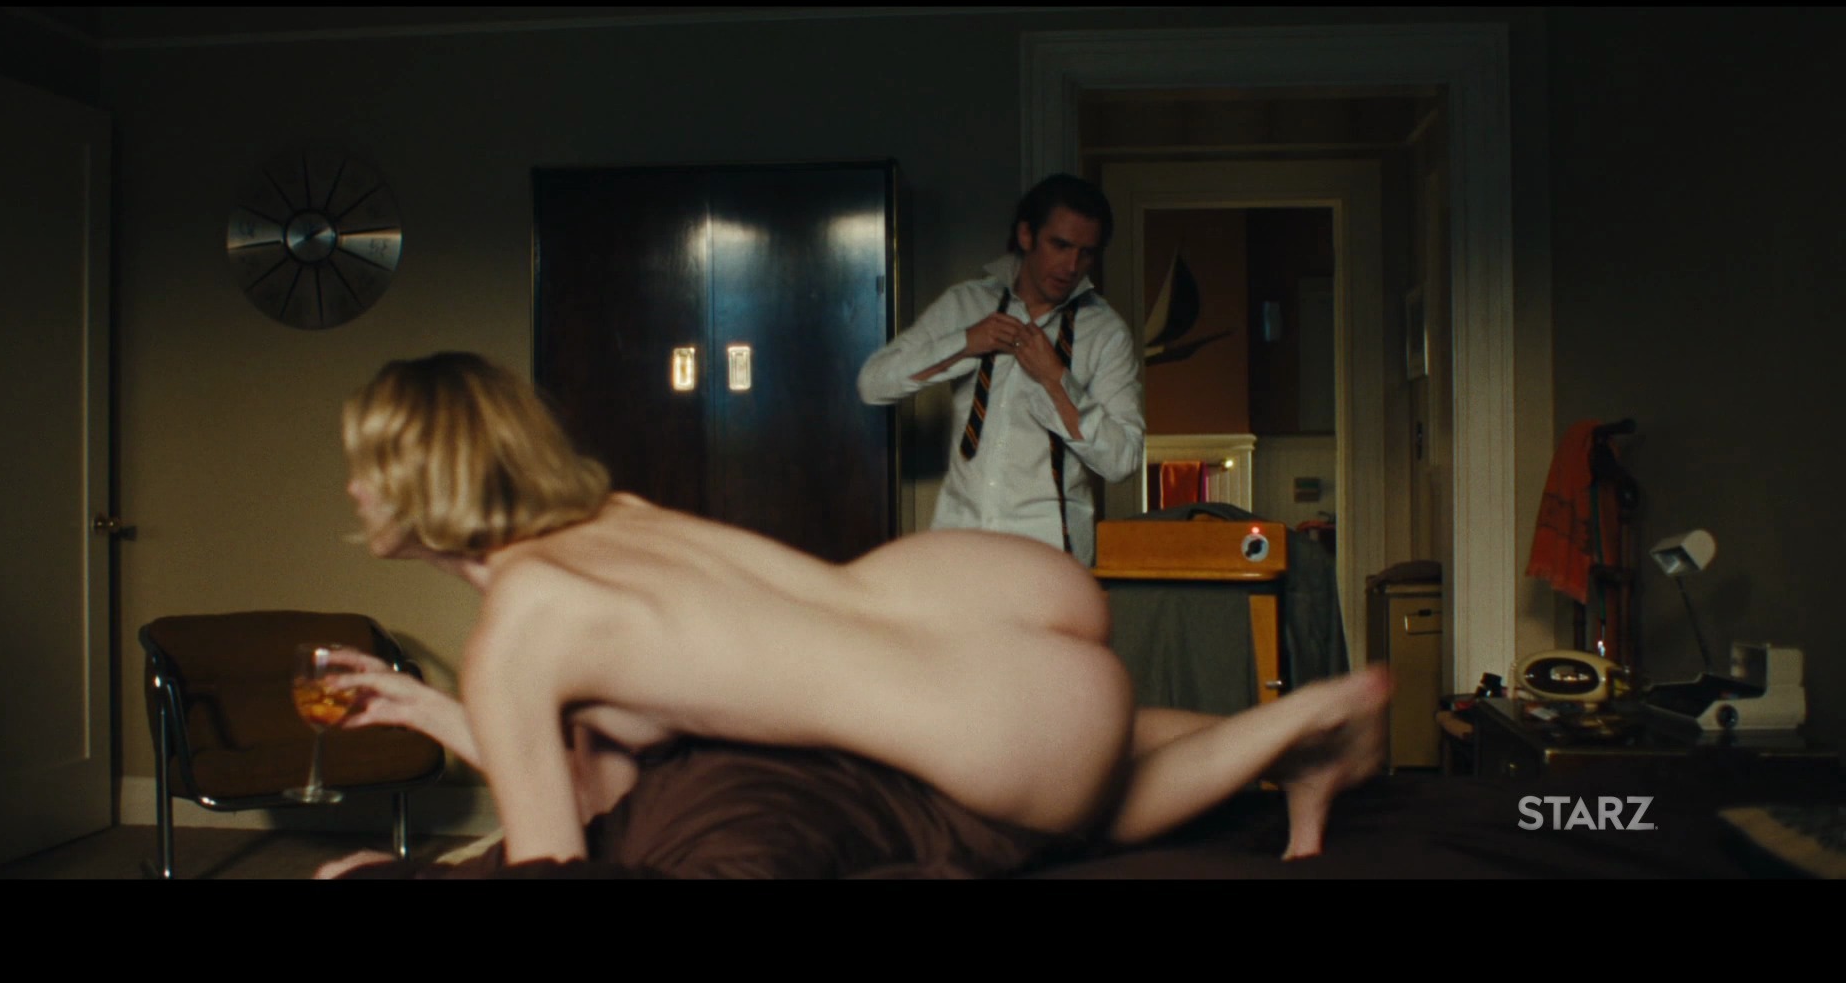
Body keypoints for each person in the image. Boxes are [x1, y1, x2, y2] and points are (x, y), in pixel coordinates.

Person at [326, 351, 1386, 873]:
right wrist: (438, 715)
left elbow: (555, 864)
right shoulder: (612, 519)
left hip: (987, 708)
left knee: (1083, 803)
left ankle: (1303, 722)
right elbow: (606, 779)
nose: (354, 492)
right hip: (964, 588)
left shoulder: (516, 632)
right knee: (1093, 742)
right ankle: (1294, 741)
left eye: (366, 468)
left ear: (423, 478)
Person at [856, 173, 1143, 566]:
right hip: (960, 547)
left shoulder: (1106, 333)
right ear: (1026, 235)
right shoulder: (965, 304)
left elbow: (1123, 459)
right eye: (1060, 245)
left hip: (1048, 556)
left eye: (1086, 253)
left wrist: (1057, 380)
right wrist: (964, 343)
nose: (1072, 266)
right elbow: (873, 384)